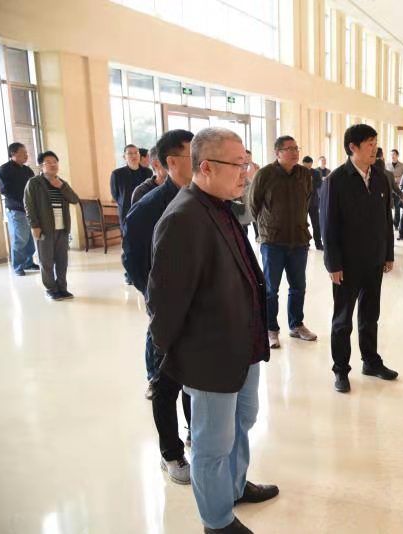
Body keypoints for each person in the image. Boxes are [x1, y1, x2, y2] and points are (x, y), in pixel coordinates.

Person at [147, 127, 278, 534]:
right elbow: (163, 302)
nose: (246, 172)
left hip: (243, 345)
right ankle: (217, 521)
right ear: (205, 167)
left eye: (246, 162)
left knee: (243, 421)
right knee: (212, 443)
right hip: (210, 355)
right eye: (238, 164)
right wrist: (175, 359)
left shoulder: (220, 206)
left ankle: (234, 487)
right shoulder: (183, 218)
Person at [123, 129, 195, 480]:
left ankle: (196, 433)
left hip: (199, 308)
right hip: (166, 311)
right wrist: (157, 300)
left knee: (196, 377)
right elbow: (134, 262)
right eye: (193, 156)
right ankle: (171, 454)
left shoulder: (204, 199)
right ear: (170, 162)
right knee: (166, 383)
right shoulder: (148, 208)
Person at [320, 124, 398, 393]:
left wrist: (388, 253)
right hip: (347, 265)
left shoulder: (380, 177)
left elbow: (386, 219)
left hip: (374, 260)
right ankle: (341, 370)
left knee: (370, 315)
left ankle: (371, 362)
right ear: (353, 147)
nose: (375, 148)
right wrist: (333, 264)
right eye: (369, 144)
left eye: (375, 143)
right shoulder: (336, 180)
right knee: (342, 320)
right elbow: (328, 225)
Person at [249, 136, 317, 349]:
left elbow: (307, 201)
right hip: (273, 242)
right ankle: (271, 329)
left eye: (296, 148)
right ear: (277, 152)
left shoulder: (304, 174)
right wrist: (266, 227)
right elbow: (253, 204)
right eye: (289, 149)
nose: (295, 152)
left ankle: (296, 325)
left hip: (298, 239)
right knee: (271, 289)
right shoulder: (265, 174)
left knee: (298, 286)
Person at [23, 151, 80, 300]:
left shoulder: (61, 182)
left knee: (62, 261)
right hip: (44, 228)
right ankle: (51, 289)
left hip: (62, 228)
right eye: (49, 162)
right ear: (41, 166)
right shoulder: (34, 183)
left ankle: (62, 288)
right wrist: (34, 225)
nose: (53, 165)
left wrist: (62, 187)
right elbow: (29, 206)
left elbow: (74, 199)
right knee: (46, 261)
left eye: (55, 162)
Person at [111, 144, 152, 284]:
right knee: (128, 246)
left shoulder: (147, 173)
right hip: (126, 214)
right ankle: (129, 274)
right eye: (130, 153)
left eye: (136, 153)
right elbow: (116, 195)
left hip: (145, 213)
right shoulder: (117, 174)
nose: (134, 156)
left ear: (139, 156)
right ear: (124, 157)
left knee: (145, 243)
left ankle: (144, 271)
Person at [0, 142, 39, 276]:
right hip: (16, 210)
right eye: (23, 153)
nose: (26, 155)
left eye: (26, 153)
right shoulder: (4, 169)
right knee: (20, 238)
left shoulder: (27, 170)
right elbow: (5, 190)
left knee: (29, 238)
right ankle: (18, 266)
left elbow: (34, 188)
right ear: (13, 153)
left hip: (30, 209)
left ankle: (28, 262)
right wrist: (23, 201)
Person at [302, 156, 324, 250]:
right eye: (306, 165)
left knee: (316, 224)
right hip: (302, 203)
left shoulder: (316, 173)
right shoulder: (299, 172)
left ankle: (318, 244)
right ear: (303, 164)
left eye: (309, 165)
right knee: (303, 224)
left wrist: (311, 181)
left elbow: (319, 184)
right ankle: (305, 243)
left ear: (311, 164)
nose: (308, 166)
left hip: (313, 202)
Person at [386, 149, 403, 229]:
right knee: (389, 207)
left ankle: (396, 224)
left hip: (398, 189)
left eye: (394, 154)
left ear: (397, 155)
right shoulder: (387, 165)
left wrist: (396, 179)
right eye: (391, 154)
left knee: (397, 208)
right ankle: (389, 223)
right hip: (389, 189)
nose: (392, 156)